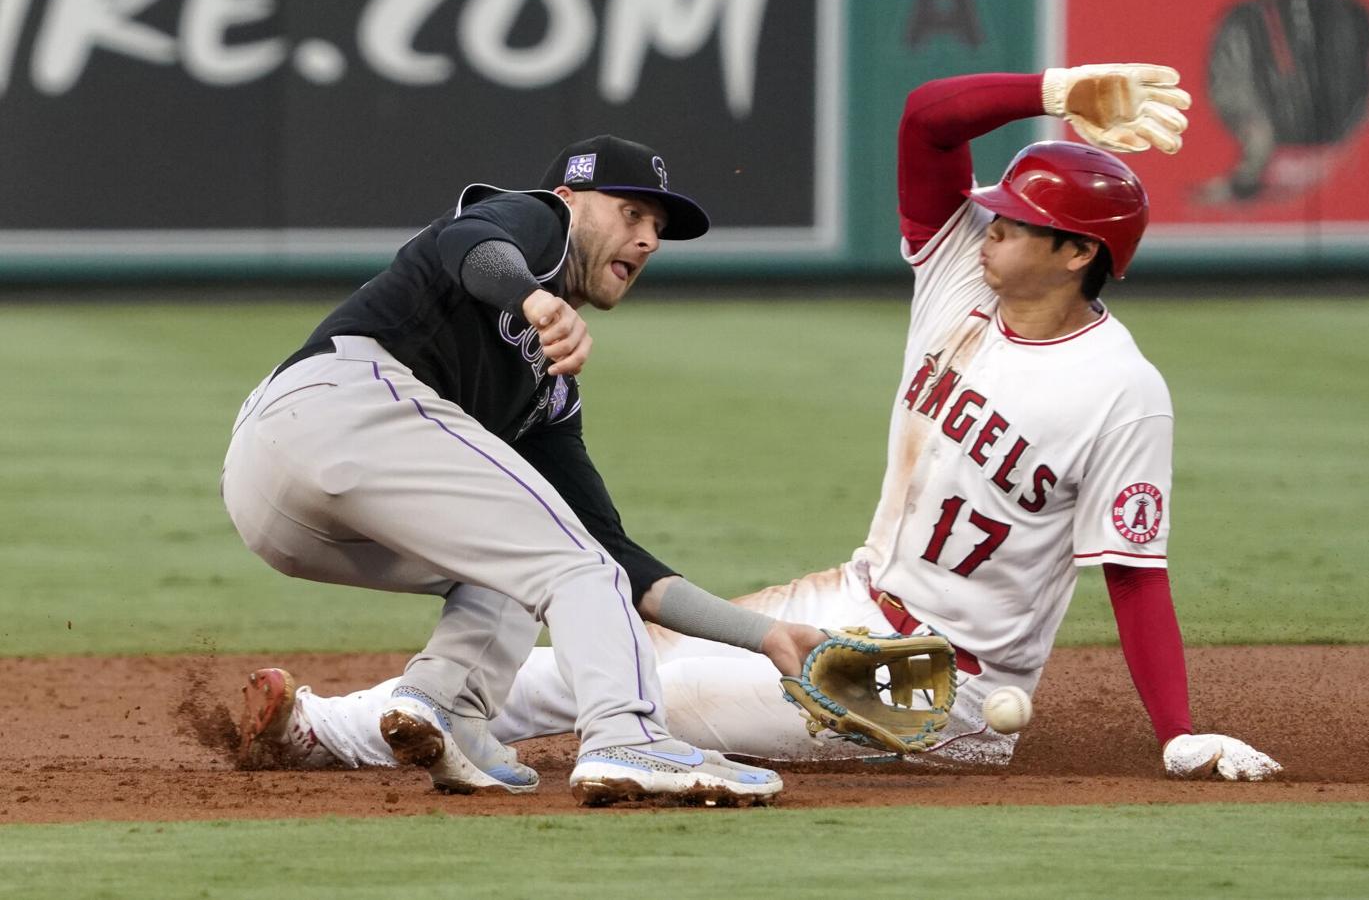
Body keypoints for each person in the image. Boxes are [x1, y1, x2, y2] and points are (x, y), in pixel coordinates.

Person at [240, 65, 1281, 782]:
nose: (990, 219)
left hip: (940, 681)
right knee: (604, 642)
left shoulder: (1118, 387)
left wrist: (1180, 733)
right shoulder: (963, 271)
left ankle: (482, 736)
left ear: (1076, 256)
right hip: (856, 592)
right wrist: (1053, 93)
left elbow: (1134, 571)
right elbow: (928, 117)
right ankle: (332, 728)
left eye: (1022, 221)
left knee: (657, 685)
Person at [222, 134, 823, 806]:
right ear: (570, 198)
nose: (648, 239)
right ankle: (627, 734)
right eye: (631, 213)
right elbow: (468, 244)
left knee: (540, 559)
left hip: (273, 493)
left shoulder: (549, 395)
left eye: (657, 228)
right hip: (341, 401)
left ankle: (443, 705)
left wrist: (766, 636)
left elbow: (614, 555)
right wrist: (535, 299)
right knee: (570, 565)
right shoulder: (541, 223)